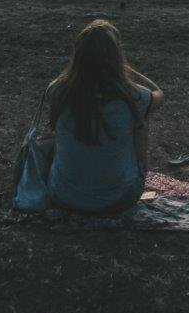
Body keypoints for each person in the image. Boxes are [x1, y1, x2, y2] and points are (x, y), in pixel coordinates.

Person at [47, 19, 164, 214]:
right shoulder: (134, 96)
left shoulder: (57, 91)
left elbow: (65, 79)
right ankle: (133, 172)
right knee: (141, 121)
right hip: (119, 198)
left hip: (64, 196)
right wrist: (126, 69)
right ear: (116, 56)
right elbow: (158, 92)